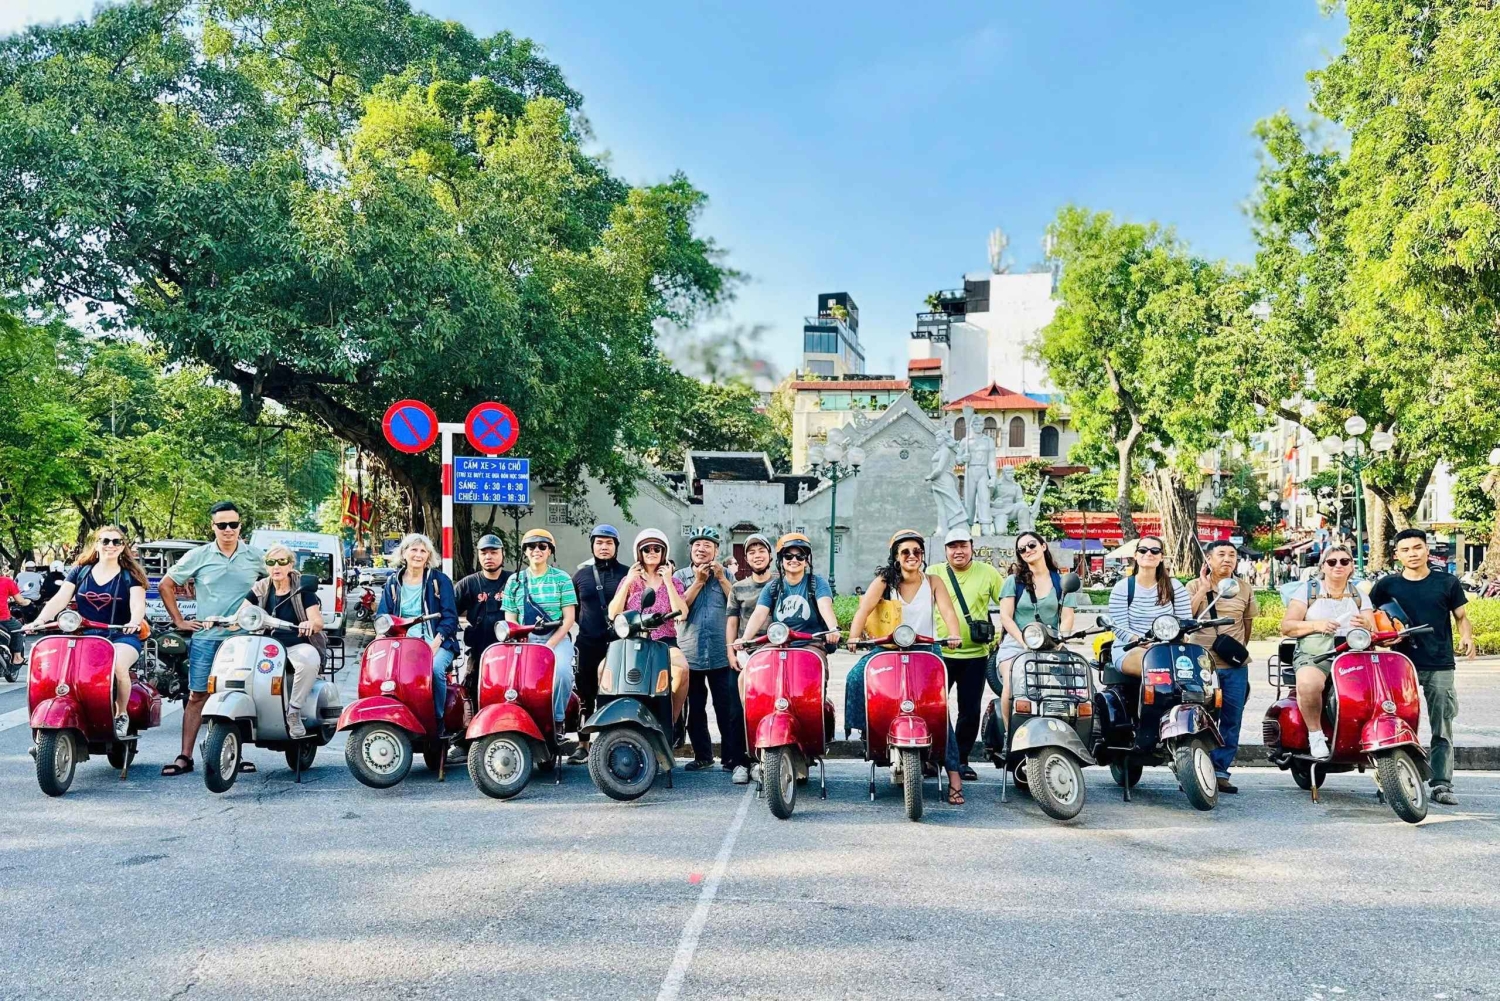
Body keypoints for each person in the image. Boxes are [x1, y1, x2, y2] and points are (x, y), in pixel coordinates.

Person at [845, 530, 965, 804]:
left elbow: (947, 612)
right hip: (887, 648)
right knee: (856, 676)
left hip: (925, 650)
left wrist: (954, 634)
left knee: (939, 710)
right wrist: (854, 635)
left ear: (923, 556)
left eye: (917, 552)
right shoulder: (885, 581)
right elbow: (863, 610)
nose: (912, 557)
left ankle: (954, 777)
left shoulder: (933, 581)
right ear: (896, 557)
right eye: (905, 552)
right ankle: (868, 730)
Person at [1369, 529, 1476, 806]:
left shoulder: (1447, 582)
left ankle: (1442, 783)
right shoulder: (1386, 586)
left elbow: (1461, 617)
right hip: (1397, 664)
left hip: (1439, 663)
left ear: (1427, 550)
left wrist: (1467, 636)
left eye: (1417, 548)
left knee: (1442, 725)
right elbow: (1371, 617)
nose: (1412, 554)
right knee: (1396, 724)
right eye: (1405, 550)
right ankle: (1399, 780)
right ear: (1397, 555)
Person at [159, 502, 266, 776]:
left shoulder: (256, 556)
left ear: (240, 526)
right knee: (197, 695)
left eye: (233, 524)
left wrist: (264, 619)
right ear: (213, 527)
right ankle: (185, 756)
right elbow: (166, 585)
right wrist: (180, 621)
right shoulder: (199, 556)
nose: (228, 530)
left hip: (244, 639)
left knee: (238, 695)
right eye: (222, 525)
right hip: (207, 637)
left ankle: (232, 754)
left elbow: (278, 583)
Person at [28, 527, 147, 738]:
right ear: (97, 543)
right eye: (106, 541)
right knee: (59, 667)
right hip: (84, 636)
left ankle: (120, 714)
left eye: (116, 542)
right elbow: (59, 600)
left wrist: (133, 621)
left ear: (123, 547)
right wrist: (39, 620)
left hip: (121, 635)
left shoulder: (131, 576)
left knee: (118, 664)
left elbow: (138, 604)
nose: (111, 545)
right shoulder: (80, 571)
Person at [1280, 544, 1373, 763]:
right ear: (1323, 566)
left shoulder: (1359, 595)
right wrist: (1317, 625)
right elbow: (1287, 626)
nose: (1338, 566)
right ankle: (1315, 734)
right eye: (1332, 562)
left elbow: (1373, 628)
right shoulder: (1309, 591)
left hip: (1352, 654)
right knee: (1308, 685)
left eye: (1344, 561)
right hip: (1315, 653)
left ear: (1352, 566)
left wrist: (1366, 624)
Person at [930, 526, 1006, 781]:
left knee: (970, 710)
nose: (958, 551)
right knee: (934, 708)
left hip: (976, 655)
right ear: (945, 550)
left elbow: (1009, 602)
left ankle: (961, 760)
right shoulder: (934, 573)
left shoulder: (988, 573)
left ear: (972, 547)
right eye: (953, 546)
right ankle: (931, 758)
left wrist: (1004, 634)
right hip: (939, 653)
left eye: (963, 545)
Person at [675, 527, 750, 782]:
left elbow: (738, 605)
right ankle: (703, 756)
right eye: (697, 545)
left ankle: (731, 757)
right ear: (690, 550)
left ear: (716, 550)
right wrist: (697, 581)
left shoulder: (727, 574)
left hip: (721, 652)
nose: (702, 548)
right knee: (695, 708)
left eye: (708, 545)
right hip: (691, 652)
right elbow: (679, 609)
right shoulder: (680, 576)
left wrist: (720, 578)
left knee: (727, 707)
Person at [1187, 540, 1258, 794]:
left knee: (1231, 718)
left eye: (1232, 555)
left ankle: (1220, 771)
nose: (1227, 559)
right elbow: (1188, 617)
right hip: (1199, 664)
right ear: (1208, 558)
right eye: (1221, 554)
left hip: (1233, 666)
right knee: (1197, 717)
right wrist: (1204, 588)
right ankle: (1193, 771)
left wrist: (1235, 649)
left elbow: (1247, 625)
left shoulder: (1245, 588)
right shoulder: (1194, 585)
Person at [235, 545, 325, 740]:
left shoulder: (303, 589)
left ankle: (294, 711)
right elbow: (241, 615)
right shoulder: (260, 587)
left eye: (282, 562)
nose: (276, 566)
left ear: (291, 565)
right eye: (271, 562)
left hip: (295, 644)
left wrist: (310, 624)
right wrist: (218, 621)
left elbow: (318, 622)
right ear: (266, 566)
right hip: (264, 646)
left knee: (309, 659)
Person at [377, 533, 461, 737]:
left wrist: (436, 642)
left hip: (437, 641)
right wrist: (380, 640)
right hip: (401, 643)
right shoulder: (393, 582)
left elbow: (451, 617)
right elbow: (382, 616)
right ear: (404, 553)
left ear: (429, 556)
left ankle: (438, 718)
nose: (418, 554)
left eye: (423, 551)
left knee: (433, 670)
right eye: (413, 549)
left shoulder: (439, 581)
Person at [995, 530, 1078, 731]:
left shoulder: (1062, 581)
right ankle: (1009, 735)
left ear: (1043, 546)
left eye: (1032, 545)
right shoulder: (1013, 582)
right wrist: (1024, 641)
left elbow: (1067, 616)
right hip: (1016, 644)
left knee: (1073, 685)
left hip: (1051, 644)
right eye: (1022, 549)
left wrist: (1061, 638)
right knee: (1012, 680)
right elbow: (1006, 616)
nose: (1028, 550)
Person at [501, 529, 578, 741]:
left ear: (550, 551)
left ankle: (557, 719)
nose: (537, 550)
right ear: (525, 551)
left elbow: (569, 619)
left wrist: (550, 645)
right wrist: (522, 639)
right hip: (525, 639)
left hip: (556, 637)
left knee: (562, 673)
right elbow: (511, 619)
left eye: (542, 546)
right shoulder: (514, 581)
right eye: (531, 546)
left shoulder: (561, 579)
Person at [607, 529, 690, 725]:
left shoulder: (674, 581)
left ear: (664, 553)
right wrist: (628, 581)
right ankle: (613, 721)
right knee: (603, 669)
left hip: (664, 641)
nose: (651, 552)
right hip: (631, 641)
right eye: (646, 549)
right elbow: (613, 613)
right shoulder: (630, 580)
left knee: (682, 670)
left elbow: (683, 612)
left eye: (656, 549)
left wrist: (668, 581)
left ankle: (671, 722)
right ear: (639, 553)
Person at [570, 525, 628, 763]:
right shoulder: (580, 576)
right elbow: (572, 611)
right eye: (599, 543)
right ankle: (583, 744)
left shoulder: (626, 574)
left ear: (616, 546)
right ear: (592, 545)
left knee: (615, 694)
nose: (604, 547)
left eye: (609, 543)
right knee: (585, 694)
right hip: (587, 642)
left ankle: (612, 742)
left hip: (618, 644)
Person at [1106, 535, 1193, 678]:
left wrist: (1184, 635)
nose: (1148, 554)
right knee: (1154, 662)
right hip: (1129, 648)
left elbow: (1185, 623)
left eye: (1154, 551)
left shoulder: (1175, 586)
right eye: (1143, 550)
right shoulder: (1122, 587)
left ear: (1161, 557)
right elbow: (1119, 628)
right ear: (1135, 555)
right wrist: (1143, 642)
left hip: (1169, 648)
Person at [454, 533, 513, 706]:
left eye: (494, 552)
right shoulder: (467, 584)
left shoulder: (514, 580)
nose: (488, 557)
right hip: (479, 648)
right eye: (484, 552)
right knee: (473, 690)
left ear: (503, 554)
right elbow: (449, 613)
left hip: (511, 647)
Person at [726, 533, 775, 691]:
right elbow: (732, 623)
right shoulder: (738, 587)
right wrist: (731, 654)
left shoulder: (781, 584)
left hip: (775, 651)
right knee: (736, 709)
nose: (757, 556)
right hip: (746, 653)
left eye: (761, 550)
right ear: (746, 559)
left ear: (770, 555)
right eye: (752, 552)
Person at [0, 567, 30, 672]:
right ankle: (17, 657)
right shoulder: (6, 581)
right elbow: (21, 601)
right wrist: (28, 602)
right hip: (3, 618)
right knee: (19, 629)